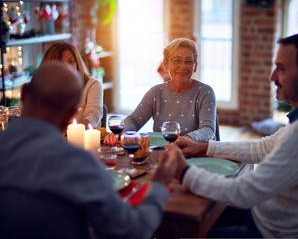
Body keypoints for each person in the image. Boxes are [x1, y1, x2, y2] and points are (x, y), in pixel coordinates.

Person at [166, 33, 298, 238]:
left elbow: (243, 193)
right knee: (183, 221)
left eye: (281, 69)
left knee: (177, 227)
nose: (272, 77)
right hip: (262, 216)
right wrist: (206, 148)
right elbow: (263, 147)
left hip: (265, 232)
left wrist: (184, 172)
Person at [0, 62, 177, 239]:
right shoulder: (78, 164)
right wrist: (160, 184)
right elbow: (134, 232)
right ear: (71, 115)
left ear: (23, 93)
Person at [104, 38, 216, 145]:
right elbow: (134, 121)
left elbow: (208, 130)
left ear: (195, 66)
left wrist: (187, 139)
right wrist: (119, 133)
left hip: (194, 155)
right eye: (176, 60)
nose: (183, 66)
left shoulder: (205, 92)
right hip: (162, 153)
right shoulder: (156, 92)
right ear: (166, 64)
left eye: (189, 61)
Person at [40, 41, 103, 128]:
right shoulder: (42, 87)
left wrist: (75, 131)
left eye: (71, 61)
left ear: (77, 63)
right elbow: (21, 111)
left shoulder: (92, 85)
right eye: (61, 63)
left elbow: (94, 115)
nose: (68, 67)